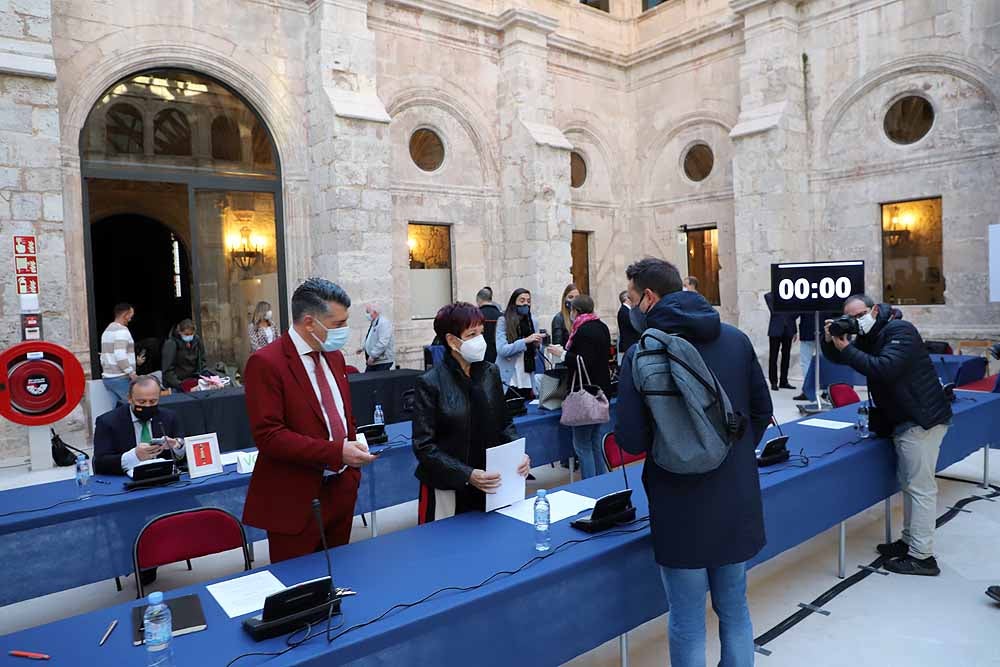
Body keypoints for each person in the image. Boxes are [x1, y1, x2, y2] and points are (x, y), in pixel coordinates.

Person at [616, 257, 773, 667]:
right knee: (734, 605)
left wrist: (680, 445)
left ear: (648, 298)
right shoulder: (736, 339)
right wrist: (732, 453)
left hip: (678, 498)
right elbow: (763, 409)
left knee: (686, 616)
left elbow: (630, 439)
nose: (629, 306)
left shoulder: (640, 354)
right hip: (734, 492)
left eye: (631, 298)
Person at [243, 278, 377, 563]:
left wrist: (350, 460)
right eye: (338, 324)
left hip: (341, 488)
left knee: (342, 576)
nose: (344, 331)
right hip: (296, 499)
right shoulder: (266, 363)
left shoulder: (334, 357)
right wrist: (336, 452)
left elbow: (342, 414)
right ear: (308, 323)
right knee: (300, 591)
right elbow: (269, 436)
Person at [822, 295, 952, 576]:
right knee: (910, 485)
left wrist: (846, 347)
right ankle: (909, 542)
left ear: (875, 310)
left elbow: (883, 367)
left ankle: (923, 557)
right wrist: (830, 338)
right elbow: (840, 356)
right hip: (905, 419)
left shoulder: (900, 331)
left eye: (859, 315)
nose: (855, 322)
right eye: (850, 318)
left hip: (921, 419)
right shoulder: (872, 333)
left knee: (920, 489)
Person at [413, 302, 531, 523]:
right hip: (448, 487)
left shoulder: (490, 372)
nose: (480, 340)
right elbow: (424, 447)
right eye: (472, 334)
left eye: (482, 332)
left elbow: (504, 423)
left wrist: (519, 454)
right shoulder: (430, 383)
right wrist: (467, 474)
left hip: (490, 482)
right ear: (451, 340)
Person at [546, 294, 611, 479]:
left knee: (582, 444)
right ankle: (602, 481)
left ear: (576, 311)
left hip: (586, 393)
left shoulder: (583, 330)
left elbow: (583, 361)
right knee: (595, 442)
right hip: (601, 391)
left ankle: (590, 485)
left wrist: (562, 354)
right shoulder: (601, 326)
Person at [93, 375, 185, 475]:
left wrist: (177, 447)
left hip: (163, 477)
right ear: (129, 398)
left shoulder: (169, 417)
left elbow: (182, 456)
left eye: (153, 401)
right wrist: (134, 456)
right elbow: (100, 463)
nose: (147, 406)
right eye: (141, 402)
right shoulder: (107, 422)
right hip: (125, 480)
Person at [496, 288, 544, 396]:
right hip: (510, 376)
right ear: (514, 303)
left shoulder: (533, 321)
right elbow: (502, 350)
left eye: (528, 301)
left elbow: (535, 352)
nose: (526, 304)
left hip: (527, 375)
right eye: (522, 301)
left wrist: (537, 345)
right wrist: (525, 341)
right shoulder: (503, 321)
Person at [100, 303, 144, 404]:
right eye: (131, 315)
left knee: (116, 411)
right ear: (126, 314)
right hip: (121, 378)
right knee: (133, 407)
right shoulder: (122, 331)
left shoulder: (107, 331)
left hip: (108, 378)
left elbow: (105, 355)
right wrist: (131, 373)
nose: (131, 318)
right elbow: (120, 355)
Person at [764, 291, 798, 391]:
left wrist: (794, 331)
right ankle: (773, 381)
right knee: (773, 356)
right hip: (776, 329)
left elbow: (795, 314)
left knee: (786, 356)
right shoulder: (772, 295)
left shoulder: (792, 296)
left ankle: (784, 381)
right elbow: (771, 304)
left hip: (789, 329)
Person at [161, 319, 207, 392]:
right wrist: (180, 385)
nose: (189, 336)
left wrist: (203, 377)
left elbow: (202, 361)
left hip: (194, 379)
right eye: (186, 334)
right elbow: (167, 370)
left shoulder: (197, 340)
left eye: (191, 334)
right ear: (180, 332)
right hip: (177, 382)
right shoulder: (171, 344)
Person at [357, 303, 395, 372]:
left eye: (368, 312)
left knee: (375, 381)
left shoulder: (383, 323)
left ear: (375, 312)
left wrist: (372, 356)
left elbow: (383, 343)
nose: (366, 315)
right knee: (368, 379)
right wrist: (363, 348)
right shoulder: (374, 322)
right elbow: (370, 338)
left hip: (382, 361)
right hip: (375, 361)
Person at [476, 288, 502, 364]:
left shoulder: (475, 317)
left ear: (479, 300)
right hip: (499, 359)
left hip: (480, 358)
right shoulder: (502, 317)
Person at [616, 290, 639, 356]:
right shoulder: (624, 311)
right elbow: (634, 326)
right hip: (629, 344)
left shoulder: (627, 310)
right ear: (627, 299)